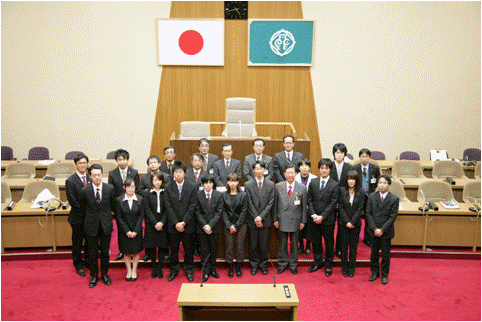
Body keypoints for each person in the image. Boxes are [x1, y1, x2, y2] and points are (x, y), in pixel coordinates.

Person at [80, 164, 116, 288]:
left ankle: (105, 274)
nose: (97, 177)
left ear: (102, 175)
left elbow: (113, 207)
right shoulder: (84, 190)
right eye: (94, 175)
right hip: (91, 226)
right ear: (90, 176)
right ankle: (94, 275)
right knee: (92, 253)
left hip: (105, 225)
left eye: (99, 175)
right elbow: (82, 210)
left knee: (105, 252)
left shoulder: (109, 188)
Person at [164, 160, 198, 282]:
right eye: (176, 172)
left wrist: (183, 222)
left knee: (188, 248)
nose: (178, 174)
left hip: (187, 224)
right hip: (173, 224)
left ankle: (189, 269)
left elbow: (192, 206)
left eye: (180, 172)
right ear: (173, 173)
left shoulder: (192, 186)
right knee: (174, 249)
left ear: (185, 173)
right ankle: (173, 270)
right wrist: (176, 223)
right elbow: (168, 207)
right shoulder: (167, 187)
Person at [307, 159, 338, 277]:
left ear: (330, 170)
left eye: (326, 168)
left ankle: (328, 265)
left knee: (329, 243)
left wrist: (322, 216)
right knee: (316, 242)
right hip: (314, 219)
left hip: (327, 220)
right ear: (319, 169)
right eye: (322, 168)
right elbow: (309, 199)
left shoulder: (335, 184)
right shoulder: (313, 182)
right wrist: (314, 214)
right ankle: (317, 263)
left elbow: (333, 203)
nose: (324, 170)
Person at [108, 148, 141, 261]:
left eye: (124, 159)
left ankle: (134, 250)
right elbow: (111, 191)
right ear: (116, 161)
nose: (122, 162)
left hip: (133, 203)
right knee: (122, 228)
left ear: (127, 160)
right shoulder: (112, 173)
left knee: (133, 226)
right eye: (119, 160)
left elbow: (137, 188)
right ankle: (123, 251)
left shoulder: (134, 172)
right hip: (120, 205)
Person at [273, 166, 307, 275]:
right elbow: (274, 205)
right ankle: (282, 264)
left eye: (292, 173)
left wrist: (303, 221)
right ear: (284, 174)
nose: (290, 175)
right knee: (282, 243)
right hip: (281, 219)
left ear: (296, 174)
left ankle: (293, 265)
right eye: (288, 173)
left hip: (296, 220)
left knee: (294, 244)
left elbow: (303, 206)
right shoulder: (278, 186)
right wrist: (275, 219)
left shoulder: (302, 187)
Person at [366, 175, 399, 285]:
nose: (382, 185)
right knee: (374, 254)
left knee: (385, 255)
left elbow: (392, 217)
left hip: (386, 232)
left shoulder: (394, 199)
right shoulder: (371, 196)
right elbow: (368, 214)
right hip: (373, 231)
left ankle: (385, 275)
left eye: (384, 183)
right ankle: (374, 272)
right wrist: (375, 228)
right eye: (380, 182)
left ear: (389, 185)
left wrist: (382, 230)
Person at [245, 160, 275, 275]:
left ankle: (263, 265)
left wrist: (261, 217)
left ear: (264, 170)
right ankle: (253, 264)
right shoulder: (248, 184)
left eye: (261, 169)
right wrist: (256, 217)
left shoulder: (271, 184)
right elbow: (249, 202)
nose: (258, 171)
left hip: (265, 220)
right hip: (252, 220)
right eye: (256, 169)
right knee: (252, 245)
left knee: (263, 245)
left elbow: (270, 203)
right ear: (253, 170)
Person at [65, 153, 91, 277]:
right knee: (77, 242)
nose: (82, 165)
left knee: (89, 241)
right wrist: (86, 212)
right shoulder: (70, 181)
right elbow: (73, 201)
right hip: (78, 217)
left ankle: (87, 261)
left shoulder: (91, 178)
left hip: (90, 218)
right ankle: (78, 264)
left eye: (84, 163)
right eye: (80, 163)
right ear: (76, 164)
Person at [196, 174, 224, 283]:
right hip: (201, 228)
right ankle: (206, 271)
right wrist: (205, 225)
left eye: (210, 183)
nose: (208, 185)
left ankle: (213, 269)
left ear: (213, 184)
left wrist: (210, 225)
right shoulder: (198, 195)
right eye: (206, 183)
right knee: (204, 250)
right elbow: (197, 212)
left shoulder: (218, 195)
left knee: (213, 249)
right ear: (203, 184)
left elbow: (219, 212)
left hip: (214, 227)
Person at [115, 178, 144, 282]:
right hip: (124, 231)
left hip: (137, 230)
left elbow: (141, 216)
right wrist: (127, 231)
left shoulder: (140, 199)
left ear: (135, 187)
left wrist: (135, 231)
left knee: (136, 252)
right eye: (128, 187)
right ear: (124, 187)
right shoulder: (119, 200)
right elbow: (118, 217)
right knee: (126, 252)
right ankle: (128, 270)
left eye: (132, 187)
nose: (130, 189)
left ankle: (134, 270)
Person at [338, 170, 365, 278]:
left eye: (353, 179)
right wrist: (347, 222)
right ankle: (344, 268)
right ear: (346, 180)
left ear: (356, 180)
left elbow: (360, 209)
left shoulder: (361, 192)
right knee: (343, 247)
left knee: (353, 247)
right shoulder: (341, 190)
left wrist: (352, 222)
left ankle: (351, 268)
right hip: (343, 223)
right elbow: (340, 207)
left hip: (356, 224)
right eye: (349, 179)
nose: (351, 181)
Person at [330, 143, 354, 259]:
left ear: (344, 154)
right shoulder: (329, 167)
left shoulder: (350, 168)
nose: (339, 155)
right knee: (330, 227)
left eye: (341, 153)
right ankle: (330, 248)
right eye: (337, 153)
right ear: (334, 154)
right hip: (330, 201)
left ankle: (339, 248)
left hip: (345, 202)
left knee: (342, 227)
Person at [353, 148, 381, 247]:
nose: (364, 159)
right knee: (356, 217)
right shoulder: (355, 168)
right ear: (359, 157)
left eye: (366, 157)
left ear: (369, 157)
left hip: (370, 196)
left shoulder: (375, 168)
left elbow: (378, 180)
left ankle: (367, 237)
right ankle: (355, 237)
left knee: (369, 217)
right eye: (362, 157)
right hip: (358, 196)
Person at [222, 173, 248, 278]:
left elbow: (244, 212)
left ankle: (238, 266)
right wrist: (229, 225)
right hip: (228, 225)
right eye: (230, 181)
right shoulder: (224, 195)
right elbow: (223, 211)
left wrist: (236, 226)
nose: (232, 183)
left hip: (241, 225)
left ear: (238, 182)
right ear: (227, 182)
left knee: (240, 246)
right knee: (229, 246)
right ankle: (230, 267)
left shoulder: (243, 195)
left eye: (235, 181)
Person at [143, 172, 168, 279]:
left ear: (162, 181)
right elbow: (147, 210)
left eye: (159, 180)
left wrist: (162, 222)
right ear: (151, 182)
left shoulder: (166, 192)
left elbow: (168, 209)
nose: (157, 182)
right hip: (151, 223)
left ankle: (160, 267)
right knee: (152, 246)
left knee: (162, 246)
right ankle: (154, 267)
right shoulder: (147, 193)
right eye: (154, 180)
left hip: (163, 222)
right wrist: (155, 223)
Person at [295, 158, 317, 255]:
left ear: (309, 167)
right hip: (297, 207)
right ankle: (301, 245)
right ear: (299, 168)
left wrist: (309, 205)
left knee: (309, 228)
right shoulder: (294, 178)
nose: (304, 168)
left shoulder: (314, 178)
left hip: (310, 208)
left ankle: (308, 245)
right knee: (299, 228)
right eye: (302, 166)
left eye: (306, 166)